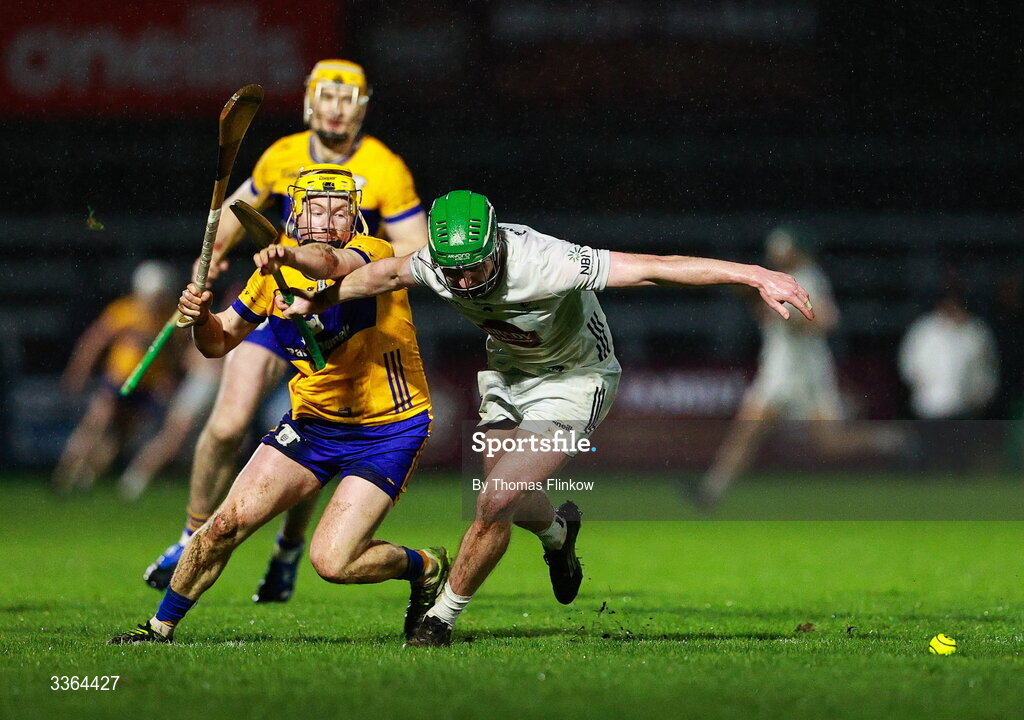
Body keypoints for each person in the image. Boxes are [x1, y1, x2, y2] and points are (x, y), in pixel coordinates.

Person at [254, 190, 813, 646]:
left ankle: (440, 619)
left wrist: (754, 275)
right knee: (513, 497)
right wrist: (319, 300)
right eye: (454, 272)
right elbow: (382, 276)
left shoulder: (548, 262)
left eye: (474, 268)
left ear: (496, 242)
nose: (465, 283)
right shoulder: (443, 266)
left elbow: (655, 270)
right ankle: (558, 533)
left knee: (494, 497)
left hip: (575, 380)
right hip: (508, 377)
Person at [111, 165, 446, 645]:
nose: (329, 220)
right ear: (295, 211)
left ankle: (426, 566)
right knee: (224, 523)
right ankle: (158, 629)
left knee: (334, 563)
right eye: (316, 208)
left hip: (388, 429)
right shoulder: (268, 278)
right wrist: (200, 316)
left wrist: (290, 254)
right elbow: (219, 341)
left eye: (339, 210)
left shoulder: (372, 251)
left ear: (354, 216)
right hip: (312, 426)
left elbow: (333, 267)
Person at [144, 59, 430, 604]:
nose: (338, 109)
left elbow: (413, 250)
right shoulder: (281, 155)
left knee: (320, 415)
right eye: (329, 97)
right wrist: (206, 268)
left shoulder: (385, 169)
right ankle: (193, 535)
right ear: (310, 102)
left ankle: (291, 546)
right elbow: (234, 212)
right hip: (279, 298)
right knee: (227, 425)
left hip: (340, 305)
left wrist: (367, 273)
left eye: (349, 100)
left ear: (363, 106)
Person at [693, 226, 907, 510]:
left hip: (808, 373)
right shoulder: (774, 278)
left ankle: (888, 439)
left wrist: (793, 319)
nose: (778, 254)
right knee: (747, 431)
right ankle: (711, 491)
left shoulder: (809, 278)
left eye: (784, 249)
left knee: (831, 444)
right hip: (778, 370)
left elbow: (827, 321)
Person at [53, 261, 182, 495]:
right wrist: (78, 372)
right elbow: (93, 343)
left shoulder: (167, 317)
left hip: (146, 387)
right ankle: (65, 475)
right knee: (95, 426)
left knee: (119, 437)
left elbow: (173, 353)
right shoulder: (124, 311)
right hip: (118, 380)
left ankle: (86, 478)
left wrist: (168, 377)